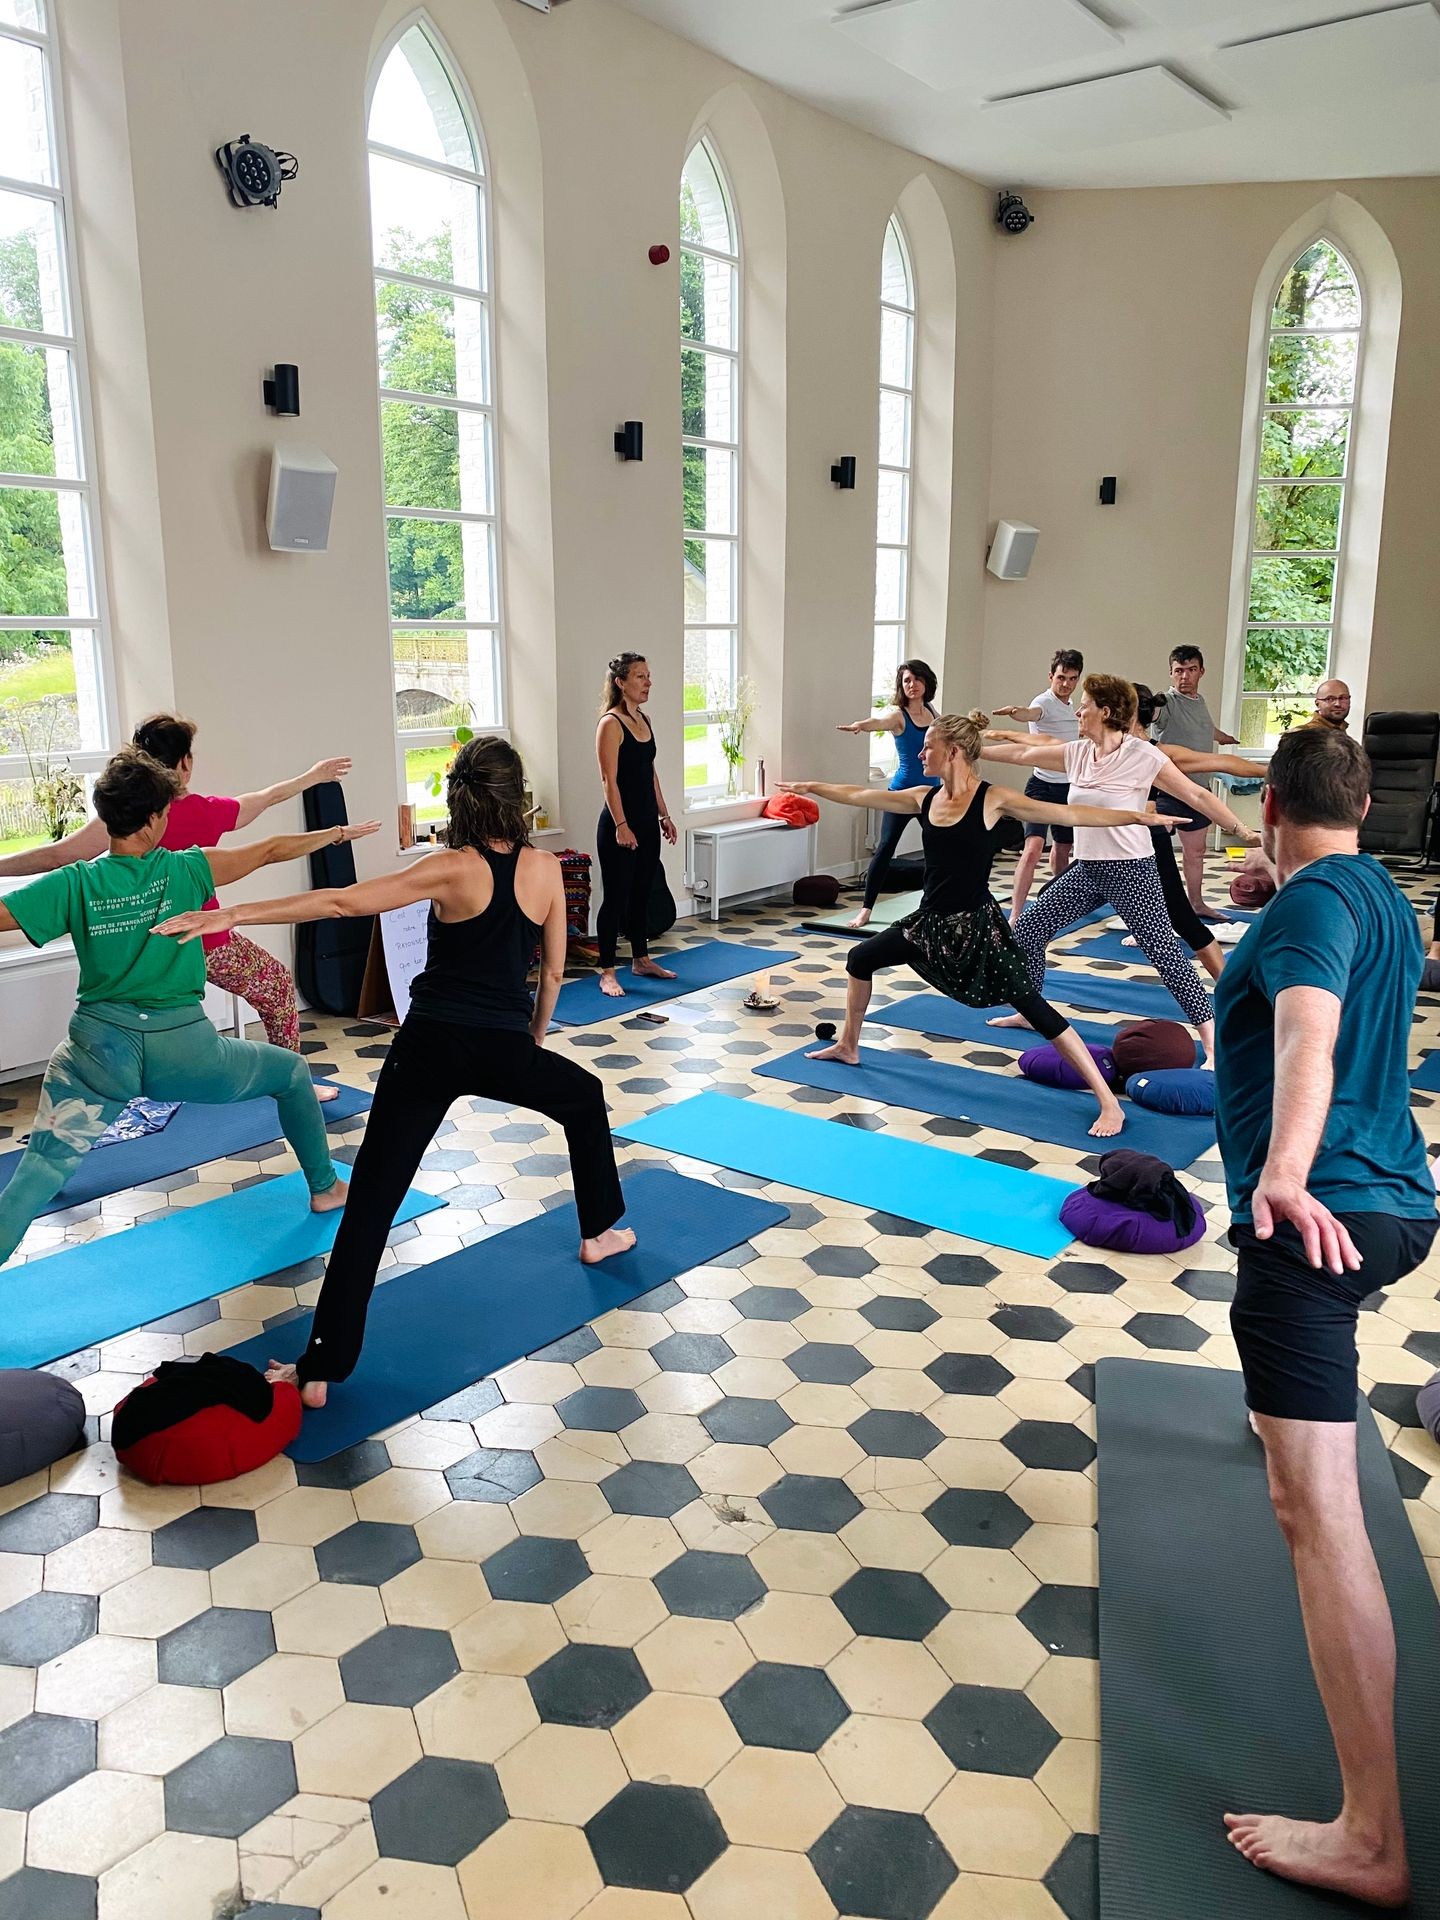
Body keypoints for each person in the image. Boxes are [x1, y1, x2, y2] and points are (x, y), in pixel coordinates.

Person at [158, 734, 634, 1407]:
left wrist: (234, 912)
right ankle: (600, 1232)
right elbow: (552, 973)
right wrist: (528, 1041)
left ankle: (320, 1368)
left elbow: (343, 902)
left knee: (373, 1204)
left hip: (428, 1047)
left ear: (462, 799)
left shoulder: (449, 867)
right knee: (584, 1097)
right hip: (501, 1045)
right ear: (517, 797)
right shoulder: (547, 869)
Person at [1213, 726, 1437, 1908]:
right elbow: (1311, 975)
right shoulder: (1373, 891)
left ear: (1271, 805)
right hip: (1400, 1203)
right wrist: (1277, 901)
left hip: (1321, 1219)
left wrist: (1283, 1174)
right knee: (1289, 1440)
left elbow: (1308, 1028)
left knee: (1319, 1513)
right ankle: (1275, 1419)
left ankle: (1370, 1837)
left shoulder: (1310, 911)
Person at [0, 748, 364, 1266]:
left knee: (38, 1171)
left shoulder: (75, 883)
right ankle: (325, 1186)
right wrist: (337, 835)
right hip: (186, 1053)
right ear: (152, 820)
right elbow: (269, 850)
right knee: (288, 1072)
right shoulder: (189, 869)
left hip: (98, 1055)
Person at [778, 711, 1166, 1138]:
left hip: (978, 930)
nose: (921, 753)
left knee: (1037, 1010)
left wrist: (1134, 817)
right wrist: (812, 787)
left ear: (954, 752)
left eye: (928, 746)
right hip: (928, 925)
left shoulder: (992, 799)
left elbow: (1067, 813)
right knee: (860, 957)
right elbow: (859, 794)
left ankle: (1109, 1103)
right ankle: (848, 1044)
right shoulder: (922, 798)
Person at [0, 715, 364, 1102]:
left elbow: (56, 855)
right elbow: (268, 810)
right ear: (185, 763)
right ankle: (294, 1085)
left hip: (137, 950)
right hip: (204, 943)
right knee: (274, 985)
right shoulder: (203, 812)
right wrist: (315, 784)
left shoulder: (121, 816)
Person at [980, 675, 1258, 1063]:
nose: (1077, 711)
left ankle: (1212, 1037)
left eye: (1085, 704)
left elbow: (1195, 793)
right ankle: (1032, 1011)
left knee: (1165, 954)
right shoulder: (1077, 752)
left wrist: (1240, 829)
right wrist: (968, 746)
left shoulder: (1143, 755)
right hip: (1087, 869)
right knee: (1029, 928)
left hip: (1132, 870)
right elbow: (1022, 755)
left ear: (1105, 712)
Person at [594, 653, 678, 999]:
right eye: (640, 676)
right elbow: (607, 780)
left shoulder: (643, 719)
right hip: (620, 825)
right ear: (621, 683)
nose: (648, 682)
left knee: (642, 892)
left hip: (645, 821)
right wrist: (621, 824)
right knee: (615, 898)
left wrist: (664, 814)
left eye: (648, 675)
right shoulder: (610, 724)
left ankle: (641, 959)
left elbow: (650, 773)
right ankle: (608, 971)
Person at [836, 659, 941, 928]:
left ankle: (935, 904)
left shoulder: (932, 712)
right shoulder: (898, 716)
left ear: (926, 682)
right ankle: (865, 910)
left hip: (930, 794)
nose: (912, 685)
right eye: (907, 681)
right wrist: (861, 724)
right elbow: (878, 721)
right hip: (901, 795)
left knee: (939, 850)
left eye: (916, 679)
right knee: (885, 849)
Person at [991, 648, 1083, 924]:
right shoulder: (1043, 701)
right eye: (1061, 677)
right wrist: (1016, 713)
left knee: (1064, 849)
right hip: (1041, 786)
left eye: (1071, 679)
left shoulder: (1073, 709)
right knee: (1032, 848)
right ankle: (1017, 913)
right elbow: (1031, 713)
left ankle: (1059, 903)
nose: (1065, 684)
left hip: (1069, 787)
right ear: (1051, 676)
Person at [1149, 645, 1238, 917]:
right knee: (1154, 856)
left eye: (1190, 670)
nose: (1184, 676)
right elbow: (1152, 715)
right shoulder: (1166, 701)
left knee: (1196, 852)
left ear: (1201, 671)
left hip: (1199, 789)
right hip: (1168, 791)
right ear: (1171, 673)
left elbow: (1203, 727)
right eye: (1179, 671)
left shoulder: (1199, 702)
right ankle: (1152, 913)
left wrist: (1222, 737)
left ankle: (1196, 904)